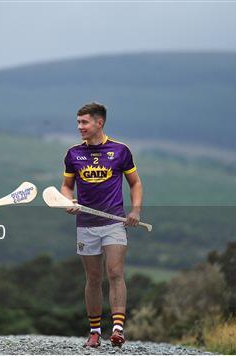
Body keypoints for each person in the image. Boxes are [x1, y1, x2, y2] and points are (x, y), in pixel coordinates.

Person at [60, 102, 143, 348]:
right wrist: (68, 201)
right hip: (86, 224)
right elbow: (66, 186)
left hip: (114, 223)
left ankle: (117, 329)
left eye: (84, 123)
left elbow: (135, 183)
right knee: (93, 277)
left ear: (99, 123)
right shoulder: (73, 154)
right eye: (78, 123)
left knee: (115, 272)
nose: (80, 127)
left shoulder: (120, 151)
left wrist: (135, 210)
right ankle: (94, 331)